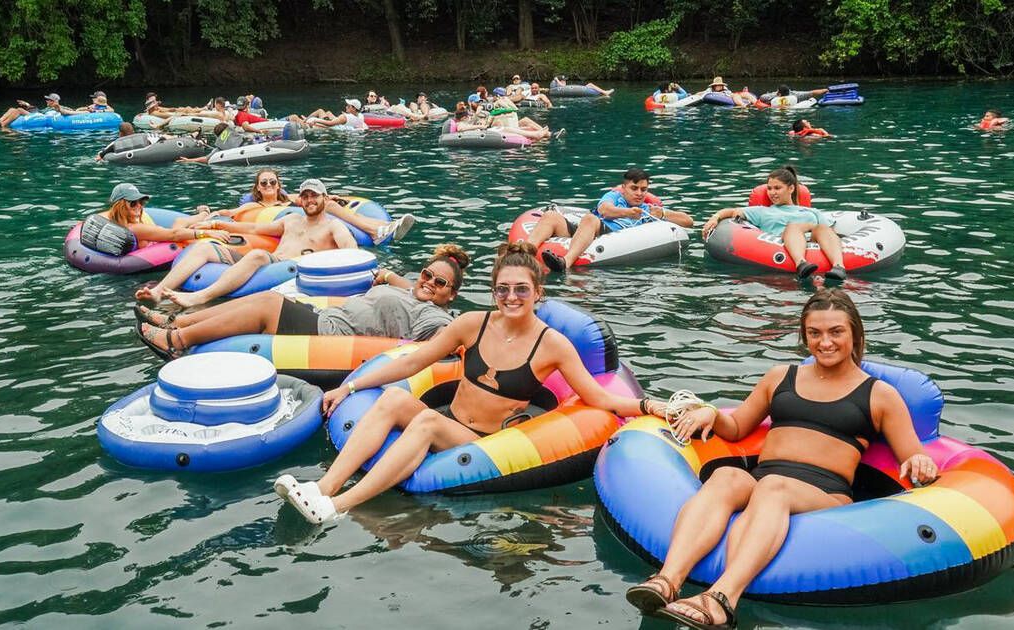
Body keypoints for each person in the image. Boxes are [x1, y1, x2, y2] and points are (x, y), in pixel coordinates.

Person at [273, 242, 667, 524]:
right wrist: (350, 388)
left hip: (484, 442)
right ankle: (323, 487)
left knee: (426, 423)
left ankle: (338, 508)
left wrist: (653, 406)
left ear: (537, 292)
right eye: (503, 289)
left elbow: (598, 398)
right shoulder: (470, 325)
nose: (511, 297)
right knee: (394, 400)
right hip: (452, 420)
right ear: (494, 290)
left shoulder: (552, 345)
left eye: (521, 289)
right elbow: (412, 361)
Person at [626, 288, 938, 629]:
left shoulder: (879, 394)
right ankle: (667, 581)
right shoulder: (780, 377)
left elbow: (912, 453)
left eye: (836, 332)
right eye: (815, 333)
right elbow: (737, 426)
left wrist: (921, 461)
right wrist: (710, 414)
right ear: (804, 336)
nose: (825, 342)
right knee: (727, 478)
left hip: (824, 494)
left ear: (855, 334)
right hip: (765, 479)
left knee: (774, 488)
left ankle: (721, 599)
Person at [135, 244, 470, 359]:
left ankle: (176, 340)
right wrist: (392, 278)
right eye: (426, 274)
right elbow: (395, 279)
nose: (428, 283)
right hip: (329, 318)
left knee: (268, 304)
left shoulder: (434, 317)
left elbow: (450, 337)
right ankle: (176, 321)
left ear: (451, 294)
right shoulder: (411, 290)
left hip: (335, 337)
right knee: (268, 297)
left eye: (439, 282)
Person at [136, 178, 358, 307]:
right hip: (270, 262)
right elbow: (253, 228)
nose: (310, 200)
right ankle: (159, 291)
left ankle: (199, 297)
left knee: (258, 254)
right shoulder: (291, 220)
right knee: (204, 247)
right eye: (306, 196)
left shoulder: (333, 226)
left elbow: (352, 252)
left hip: (291, 268)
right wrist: (215, 226)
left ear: (325, 199)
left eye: (315, 196)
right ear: (300, 200)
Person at [529, 168, 695, 272]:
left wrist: (663, 214)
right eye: (634, 188)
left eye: (643, 189)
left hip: (613, 239)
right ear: (624, 188)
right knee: (553, 216)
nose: (639, 193)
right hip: (598, 228)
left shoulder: (649, 210)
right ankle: (524, 251)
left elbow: (689, 221)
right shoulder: (614, 196)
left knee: (589, 219)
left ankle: (565, 263)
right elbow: (604, 210)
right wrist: (628, 212)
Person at [702, 166, 846, 281]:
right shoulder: (762, 211)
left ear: (791, 188)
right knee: (793, 227)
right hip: (784, 243)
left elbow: (829, 232)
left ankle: (838, 267)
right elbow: (731, 211)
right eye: (769, 189)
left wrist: (812, 227)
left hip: (813, 240)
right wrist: (715, 217)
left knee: (822, 228)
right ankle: (801, 264)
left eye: (777, 188)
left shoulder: (812, 211)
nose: (772, 193)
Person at [216, 169, 415, 245]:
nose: (269, 186)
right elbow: (233, 213)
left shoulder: (289, 198)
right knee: (327, 206)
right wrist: (213, 215)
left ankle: (386, 226)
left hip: (315, 226)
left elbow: (312, 199)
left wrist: (333, 197)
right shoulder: (254, 204)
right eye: (264, 183)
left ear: (278, 185)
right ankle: (375, 230)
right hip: (290, 229)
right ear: (258, 188)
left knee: (328, 204)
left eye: (272, 182)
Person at [96, 184, 230, 249]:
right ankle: (205, 213)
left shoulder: (113, 223)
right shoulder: (133, 229)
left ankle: (204, 213)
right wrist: (206, 234)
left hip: (162, 237)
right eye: (133, 203)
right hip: (165, 245)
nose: (139, 206)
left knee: (180, 221)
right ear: (120, 206)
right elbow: (174, 235)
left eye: (141, 202)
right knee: (180, 222)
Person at [0, 93, 73, 127]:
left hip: (40, 117)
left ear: (54, 101)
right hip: (38, 114)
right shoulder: (47, 108)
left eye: (48, 100)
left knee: (19, 110)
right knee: (12, 109)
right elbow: (39, 110)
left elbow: (69, 110)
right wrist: (27, 105)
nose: (46, 101)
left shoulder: (60, 107)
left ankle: (2, 124)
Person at [292, 99, 367, 130]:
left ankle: (305, 120)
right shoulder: (361, 116)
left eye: (348, 106)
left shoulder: (344, 117)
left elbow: (330, 124)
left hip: (326, 127)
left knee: (294, 117)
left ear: (354, 109)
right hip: (339, 125)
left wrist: (316, 120)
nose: (346, 106)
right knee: (324, 111)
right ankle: (305, 119)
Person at [759, 84, 829, 104]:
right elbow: (812, 93)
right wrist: (825, 90)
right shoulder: (795, 95)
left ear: (779, 93)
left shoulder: (772, 95)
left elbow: (761, 98)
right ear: (789, 91)